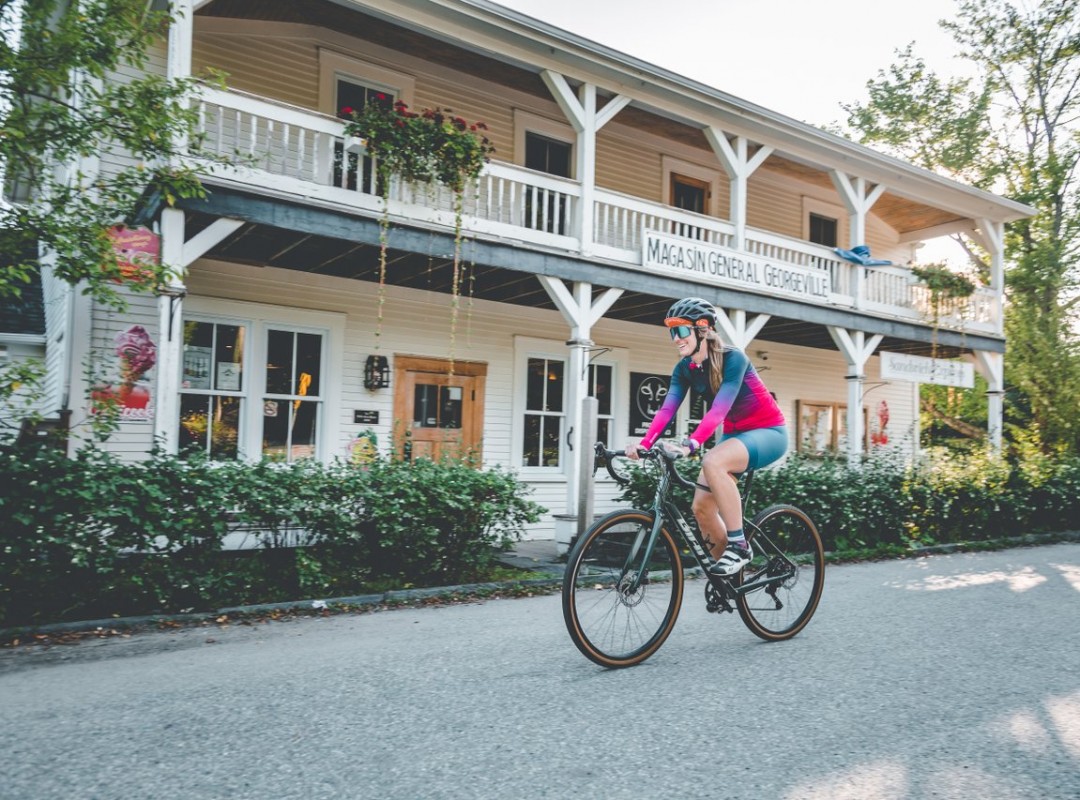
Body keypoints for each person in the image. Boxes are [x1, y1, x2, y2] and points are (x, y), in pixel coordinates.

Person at [625, 297, 788, 575]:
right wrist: (644, 443)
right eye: (672, 332)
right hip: (735, 437)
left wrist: (692, 444)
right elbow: (667, 409)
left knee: (713, 461)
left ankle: (739, 546)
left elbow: (719, 409)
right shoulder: (684, 369)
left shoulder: (734, 359)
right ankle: (730, 584)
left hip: (768, 432)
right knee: (701, 508)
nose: (676, 339)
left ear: (703, 329)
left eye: (681, 330)